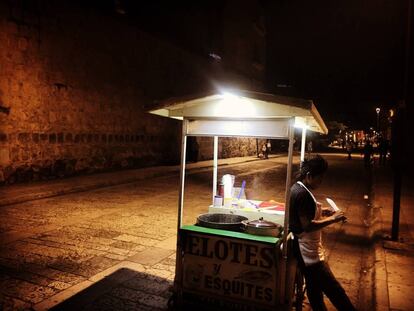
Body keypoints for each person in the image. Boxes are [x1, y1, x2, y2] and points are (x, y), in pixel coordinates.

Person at [289, 155, 356, 311]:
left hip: (305, 248)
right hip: (307, 252)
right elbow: (308, 226)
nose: (321, 182)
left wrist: (322, 211)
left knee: (314, 289)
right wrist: (334, 218)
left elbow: (305, 213)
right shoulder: (302, 194)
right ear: (309, 176)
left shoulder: (298, 186)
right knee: (334, 289)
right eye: (319, 179)